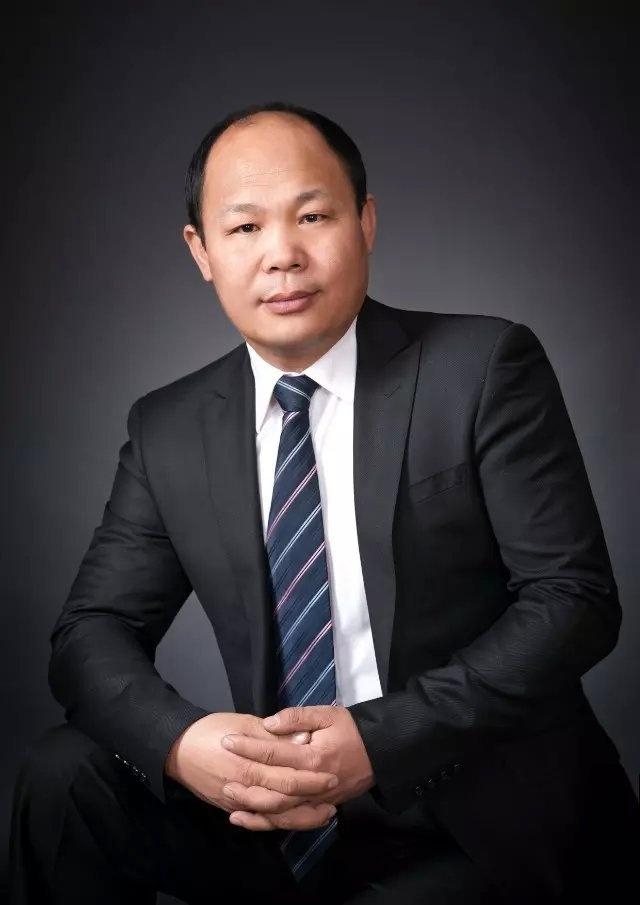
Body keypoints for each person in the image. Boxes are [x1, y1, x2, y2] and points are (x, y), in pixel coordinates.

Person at [8, 101, 639, 904]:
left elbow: (574, 600)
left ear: (365, 222)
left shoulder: (481, 368)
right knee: (64, 776)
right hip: (275, 815)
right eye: (245, 228)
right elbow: (90, 632)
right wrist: (182, 742)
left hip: (471, 811)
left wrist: (378, 740)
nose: (282, 255)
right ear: (201, 251)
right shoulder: (169, 426)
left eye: (312, 216)